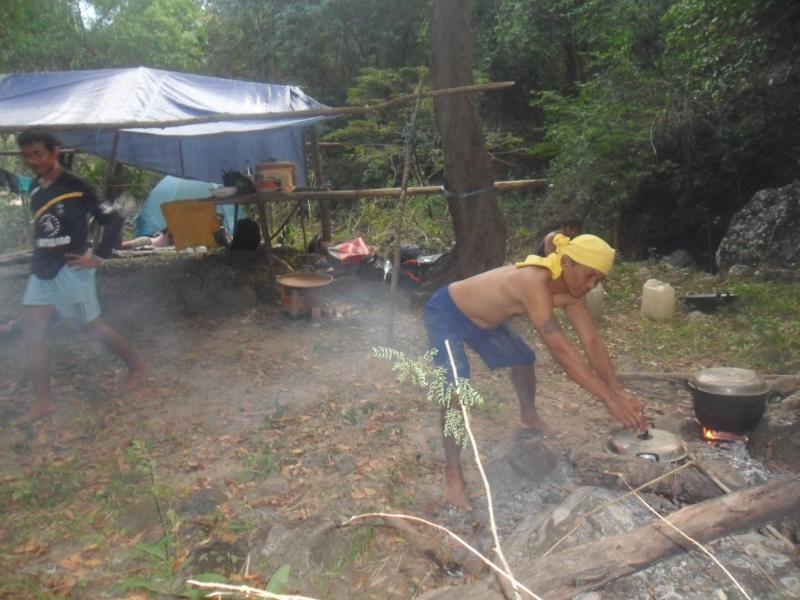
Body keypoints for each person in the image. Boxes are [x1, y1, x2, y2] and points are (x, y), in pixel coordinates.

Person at [423, 233, 647, 510]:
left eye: (598, 280)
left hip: (484, 324)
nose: (591, 285)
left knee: (523, 359)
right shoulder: (533, 282)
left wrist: (617, 390)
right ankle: (454, 475)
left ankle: (529, 416)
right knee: (457, 387)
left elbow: (591, 341)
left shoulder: (573, 294)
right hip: (446, 312)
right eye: (588, 275)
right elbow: (561, 350)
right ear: (566, 263)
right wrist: (609, 400)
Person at [17, 128, 145, 420]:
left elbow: (112, 220)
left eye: (38, 154)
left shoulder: (76, 185)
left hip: (71, 268)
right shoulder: (35, 188)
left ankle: (137, 367)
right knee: (31, 331)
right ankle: (44, 402)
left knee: (92, 327)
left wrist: (97, 256)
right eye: (27, 156)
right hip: (42, 270)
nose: (33, 161)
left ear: (55, 152)